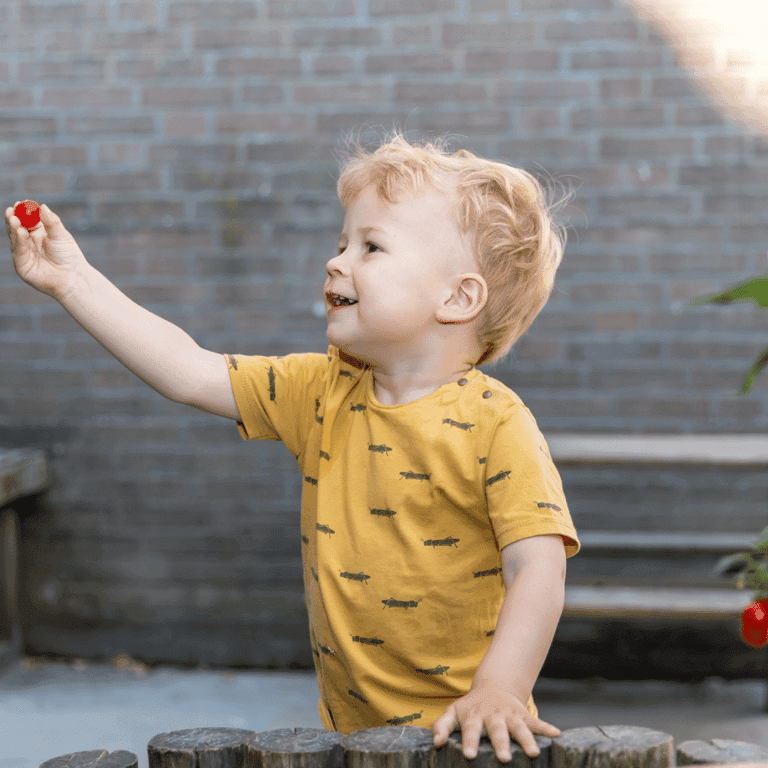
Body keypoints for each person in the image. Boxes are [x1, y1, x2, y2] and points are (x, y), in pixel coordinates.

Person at [5, 129, 579, 763]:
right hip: (352, 742)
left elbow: (539, 569)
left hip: (469, 739)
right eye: (342, 243)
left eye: (372, 246)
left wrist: (500, 691)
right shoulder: (320, 392)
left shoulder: (499, 425)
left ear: (457, 297)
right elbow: (187, 369)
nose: (337, 261)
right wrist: (72, 279)